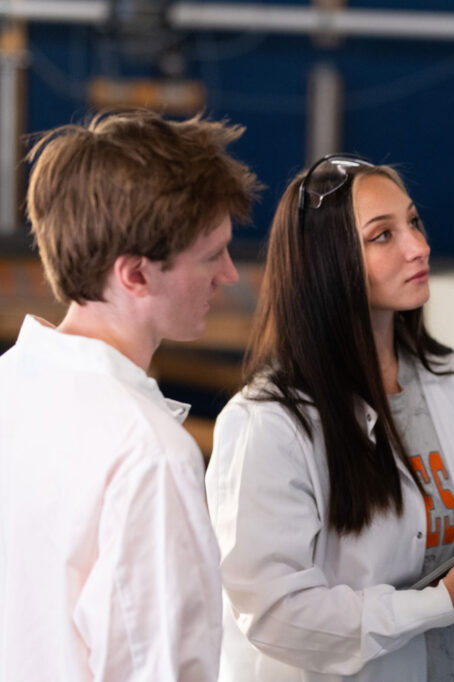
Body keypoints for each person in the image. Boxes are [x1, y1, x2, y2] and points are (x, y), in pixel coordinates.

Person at [205, 155, 454, 681]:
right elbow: (275, 616)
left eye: (414, 222)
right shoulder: (268, 425)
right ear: (326, 262)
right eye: (382, 236)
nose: (419, 247)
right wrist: (437, 605)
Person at [0, 110, 260, 681]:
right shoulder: (148, 454)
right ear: (135, 275)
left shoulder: (9, 387)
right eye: (211, 254)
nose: (229, 275)